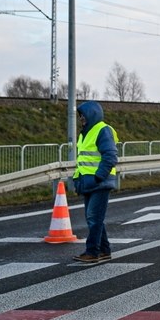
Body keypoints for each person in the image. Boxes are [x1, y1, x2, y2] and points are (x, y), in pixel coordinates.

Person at [70, 101, 119, 264]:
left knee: (93, 218)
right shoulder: (86, 133)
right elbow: (83, 160)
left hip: (100, 182)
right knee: (94, 218)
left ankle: (92, 252)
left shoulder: (102, 130)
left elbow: (110, 156)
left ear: (91, 114)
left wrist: (99, 176)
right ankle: (104, 250)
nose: (81, 119)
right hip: (89, 182)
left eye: (83, 115)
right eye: (80, 116)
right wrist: (78, 179)